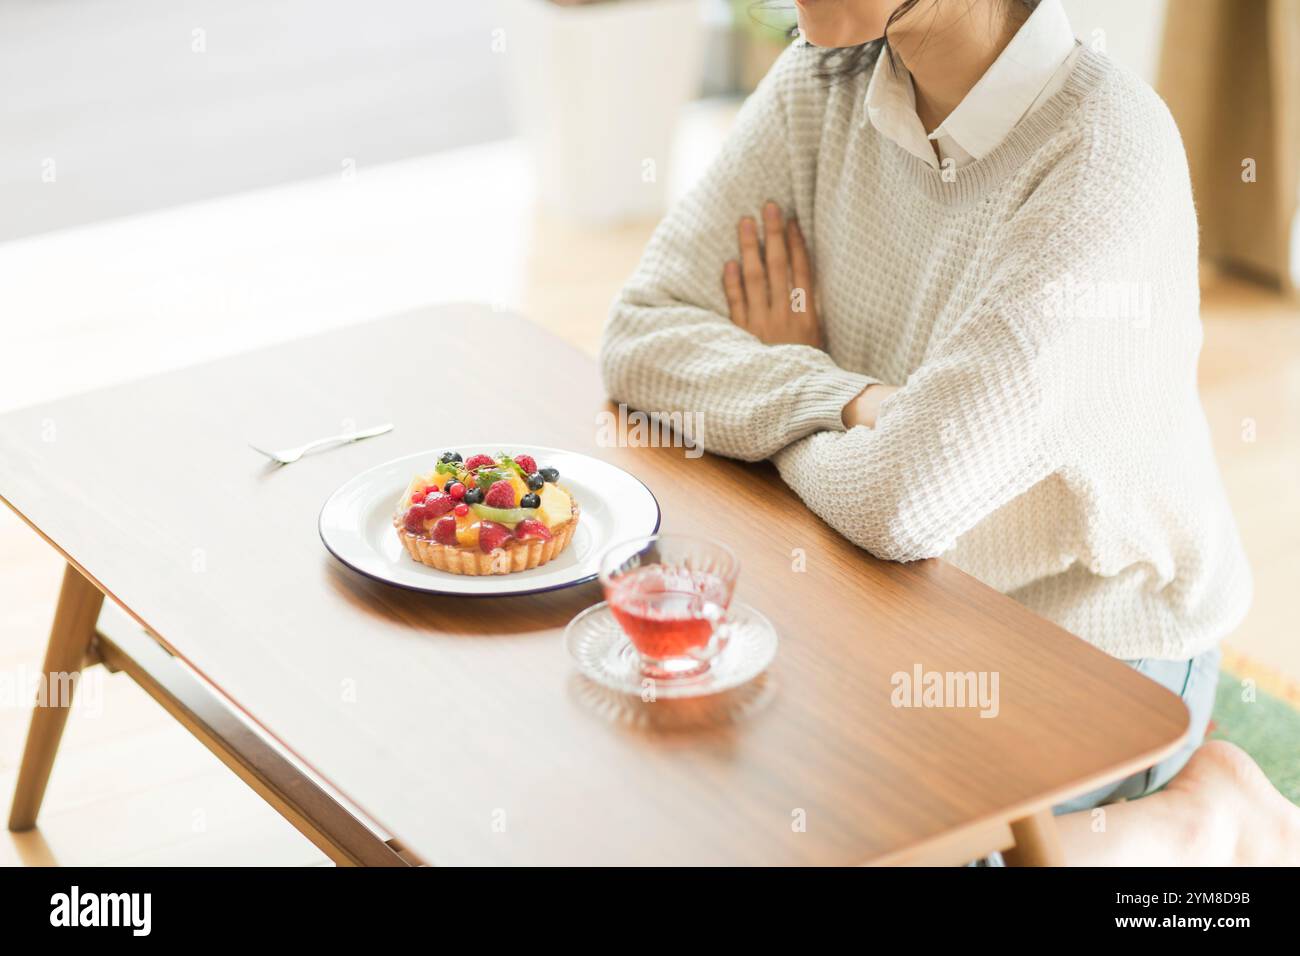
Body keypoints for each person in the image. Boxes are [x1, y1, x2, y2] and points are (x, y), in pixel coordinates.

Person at [599, 0, 1300, 864]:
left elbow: (904, 499)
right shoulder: (822, 80)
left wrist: (771, 402)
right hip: (885, 595)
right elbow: (641, 334)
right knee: (686, 786)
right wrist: (842, 397)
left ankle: (1206, 818)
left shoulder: (1103, 156)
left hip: (1089, 651)